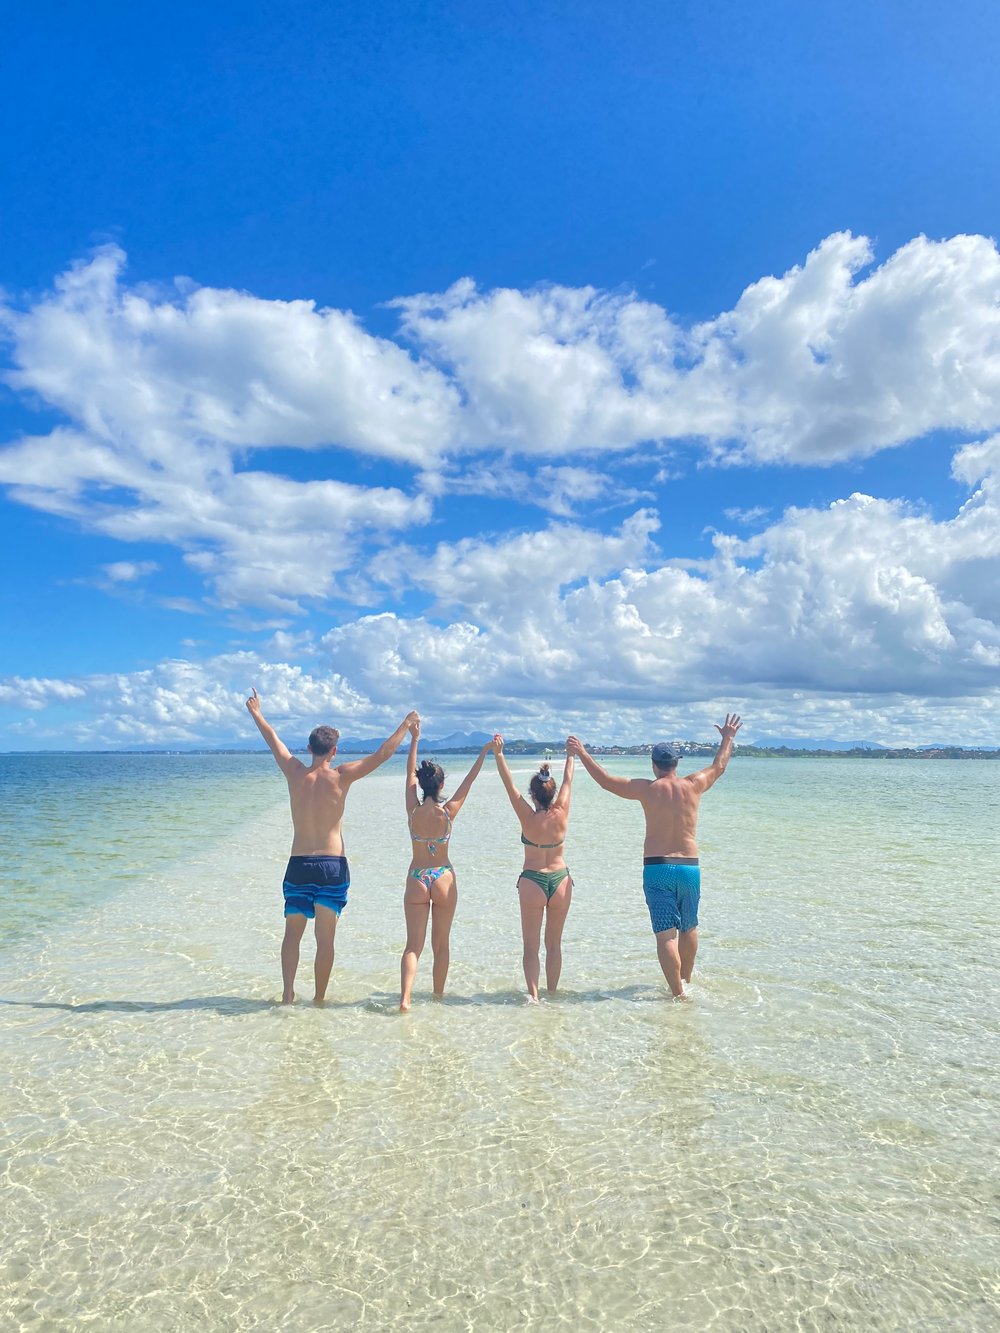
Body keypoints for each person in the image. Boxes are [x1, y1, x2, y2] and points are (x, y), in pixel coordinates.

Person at [246, 687, 418, 1005]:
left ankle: (287, 994)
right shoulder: (341, 777)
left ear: (310, 747)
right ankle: (320, 999)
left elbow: (273, 740)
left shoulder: (294, 771)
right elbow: (382, 755)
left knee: (292, 934)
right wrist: (405, 726)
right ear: (334, 751)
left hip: (298, 864)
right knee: (325, 940)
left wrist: (257, 713)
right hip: (331, 866)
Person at [567, 714, 742, 999]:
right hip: (689, 867)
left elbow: (606, 781)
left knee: (666, 935)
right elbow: (719, 766)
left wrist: (582, 752)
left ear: (654, 765)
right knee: (689, 927)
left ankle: (677, 994)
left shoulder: (647, 789)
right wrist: (728, 738)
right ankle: (686, 982)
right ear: (676, 764)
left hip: (658, 867)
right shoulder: (694, 785)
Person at [399, 721, 494, 1011]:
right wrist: (485, 751)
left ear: (423, 783)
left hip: (417, 876)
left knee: (413, 945)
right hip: (442, 877)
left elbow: (409, 773)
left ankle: (405, 999)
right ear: (441, 785)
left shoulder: (413, 810)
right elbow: (470, 780)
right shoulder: (448, 811)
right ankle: (438, 999)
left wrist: (414, 739)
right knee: (441, 946)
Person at [492, 736, 575, 1002]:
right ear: (551, 794)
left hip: (532, 882)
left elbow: (508, 785)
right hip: (561, 880)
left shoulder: (527, 816)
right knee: (554, 945)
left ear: (532, 795)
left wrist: (499, 754)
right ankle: (553, 995)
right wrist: (571, 755)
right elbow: (568, 782)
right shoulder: (561, 813)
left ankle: (534, 997)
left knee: (531, 947)